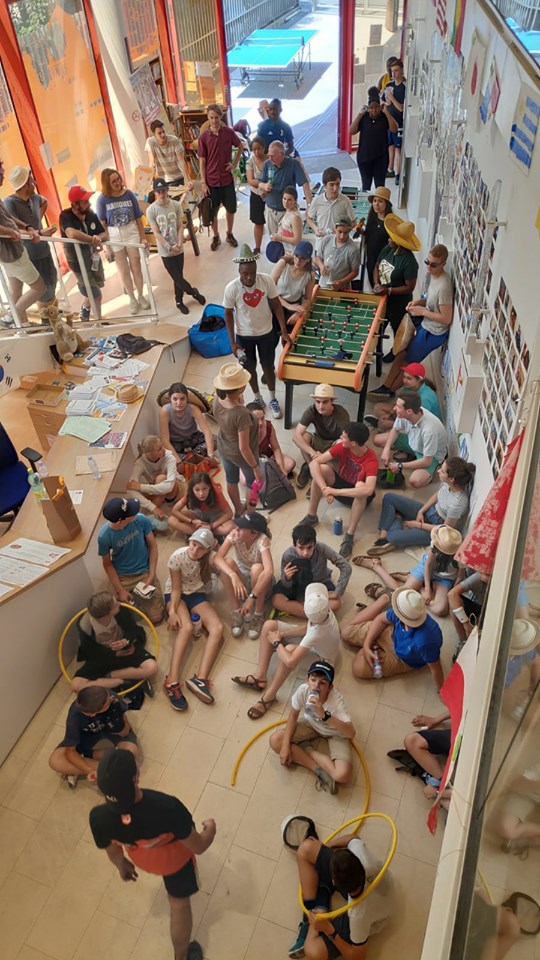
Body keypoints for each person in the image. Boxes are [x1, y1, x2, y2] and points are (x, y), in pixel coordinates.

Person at [89, 748, 215, 960]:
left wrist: (121, 865)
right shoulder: (167, 807)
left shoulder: (98, 818)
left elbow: (112, 848)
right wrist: (210, 829)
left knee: (177, 903)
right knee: (179, 904)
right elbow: (199, 846)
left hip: (141, 858)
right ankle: (181, 957)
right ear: (136, 778)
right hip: (175, 862)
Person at [233, 583, 341, 720]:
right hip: (316, 642)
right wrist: (282, 634)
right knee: (269, 625)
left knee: (288, 651)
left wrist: (276, 642)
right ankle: (259, 676)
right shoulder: (324, 611)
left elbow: (291, 661)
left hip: (323, 660)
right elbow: (307, 628)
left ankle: (270, 696)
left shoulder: (317, 633)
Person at [288, 829, 393, 959]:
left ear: (334, 882)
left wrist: (329, 930)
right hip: (372, 889)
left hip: (373, 911)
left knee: (313, 951)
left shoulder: (357, 916)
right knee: (305, 849)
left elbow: (358, 956)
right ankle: (315, 907)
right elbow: (352, 838)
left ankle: (316, 912)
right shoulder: (362, 859)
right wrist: (325, 846)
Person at [164, 527, 240, 707]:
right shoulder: (177, 556)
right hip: (176, 595)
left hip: (197, 595)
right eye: (193, 544)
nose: (195, 550)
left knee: (218, 628)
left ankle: (200, 679)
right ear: (189, 541)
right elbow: (176, 589)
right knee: (187, 628)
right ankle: (171, 681)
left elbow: (225, 564)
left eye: (200, 548)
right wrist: (172, 612)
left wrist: (232, 574)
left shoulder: (211, 558)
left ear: (209, 548)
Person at [223, 244, 290, 417]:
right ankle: (257, 398)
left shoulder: (266, 281)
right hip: (244, 336)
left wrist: (283, 331)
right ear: (239, 272)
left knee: (268, 366)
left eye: (252, 272)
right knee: (249, 369)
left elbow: (277, 306)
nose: (250, 277)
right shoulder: (232, 288)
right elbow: (228, 314)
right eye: (245, 273)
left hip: (266, 333)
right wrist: (232, 343)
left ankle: (273, 398)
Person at [270, 660, 355, 794]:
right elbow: (293, 715)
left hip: (335, 732)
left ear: (330, 687)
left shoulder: (336, 701)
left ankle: (308, 750)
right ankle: (317, 769)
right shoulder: (303, 690)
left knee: (342, 775)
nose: (316, 686)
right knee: (276, 741)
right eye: (313, 680)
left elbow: (351, 733)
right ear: (307, 680)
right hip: (311, 724)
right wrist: (285, 746)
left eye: (323, 683)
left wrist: (325, 716)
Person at [367, 457, 475, 555]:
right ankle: (384, 533)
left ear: (451, 479)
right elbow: (437, 495)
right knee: (389, 497)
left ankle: (395, 523)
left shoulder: (458, 502)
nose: (438, 471)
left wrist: (418, 525)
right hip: (431, 511)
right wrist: (421, 511)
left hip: (435, 529)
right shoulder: (448, 484)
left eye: (442, 471)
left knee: (392, 536)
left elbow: (444, 529)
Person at [302, 421, 379, 559]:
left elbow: (368, 490)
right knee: (322, 470)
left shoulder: (371, 460)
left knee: (361, 487)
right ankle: (311, 516)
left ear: (353, 443)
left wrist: (335, 492)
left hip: (358, 495)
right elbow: (314, 463)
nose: (340, 438)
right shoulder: (342, 447)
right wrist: (324, 488)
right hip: (342, 483)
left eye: (344, 437)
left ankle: (349, 536)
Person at [343, 587, 444, 689]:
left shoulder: (426, 641)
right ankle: (385, 598)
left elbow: (436, 667)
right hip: (391, 632)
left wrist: (441, 688)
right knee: (346, 633)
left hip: (402, 659)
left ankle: (373, 643)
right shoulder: (404, 611)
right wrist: (366, 644)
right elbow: (380, 620)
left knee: (358, 668)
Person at [353, 524, 463, 617]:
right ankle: (376, 566)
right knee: (401, 595)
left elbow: (459, 577)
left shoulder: (461, 555)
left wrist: (450, 592)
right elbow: (428, 565)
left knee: (440, 610)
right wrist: (428, 589)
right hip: (427, 568)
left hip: (444, 579)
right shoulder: (438, 540)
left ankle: (417, 585)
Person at [49, 686, 138, 788]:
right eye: (107, 703)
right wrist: (89, 770)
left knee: (131, 752)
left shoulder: (111, 698)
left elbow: (125, 730)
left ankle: (90, 762)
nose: (110, 699)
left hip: (112, 731)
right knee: (55, 761)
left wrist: (117, 722)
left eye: (108, 696)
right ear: (92, 714)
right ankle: (107, 769)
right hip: (87, 737)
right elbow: (70, 751)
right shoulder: (75, 716)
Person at [70, 591, 158, 693]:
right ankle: (123, 681)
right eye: (115, 605)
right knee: (75, 685)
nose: (119, 604)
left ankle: (110, 676)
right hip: (102, 656)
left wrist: (125, 641)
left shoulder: (121, 610)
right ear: (106, 615)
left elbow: (133, 629)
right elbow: (90, 650)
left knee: (152, 667)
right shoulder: (85, 625)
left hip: (125, 649)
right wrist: (114, 654)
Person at [98, 497, 166, 624]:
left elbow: (153, 546)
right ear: (120, 521)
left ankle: (140, 598)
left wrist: (151, 574)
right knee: (125, 617)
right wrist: (120, 589)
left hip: (144, 571)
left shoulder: (141, 519)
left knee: (156, 618)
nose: (136, 512)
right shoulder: (104, 536)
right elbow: (107, 564)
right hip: (123, 576)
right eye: (130, 513)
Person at [146, 178, 205, 315]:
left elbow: (180, 226)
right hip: (165, 250)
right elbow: (156, 233)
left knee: (179, 276)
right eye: (158, 191)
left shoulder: (176, 205)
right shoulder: (151, 210)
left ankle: (179, 301)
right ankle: (193, 292)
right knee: (176, 277)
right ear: (155, 193)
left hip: (178, 247)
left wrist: (179, 242)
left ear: (167, 190)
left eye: (163, 190)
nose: (161, 194)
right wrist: (168, 247)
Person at [96, 168, 150, 315]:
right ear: (107, 184)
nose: (117, 183)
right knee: (123, 269)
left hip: (131, 232)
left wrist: (143, 237)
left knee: (136, 266)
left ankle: (141, 295)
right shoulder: (102, 199)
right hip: (114, 235)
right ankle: (132, 299)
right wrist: (107, 246)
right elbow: (102, 224)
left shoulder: (129, 194)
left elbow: (138, 218)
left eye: (118, 179)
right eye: (113, 181)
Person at [4, 165, 57, 315]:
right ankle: (36, 320)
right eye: (32, 180)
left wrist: (37, 221)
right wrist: (38, 231)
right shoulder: (9, 203)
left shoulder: (34, 198)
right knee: (40, 289)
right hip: (26, 254)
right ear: (26, 184)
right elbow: (12, 228)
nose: (35, 182)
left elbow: (44, 202)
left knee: (51, 283)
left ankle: (28, 321)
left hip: (43, 249)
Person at [212, 362, 262, 517]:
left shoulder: (217, 399)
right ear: (241, 388)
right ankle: (250, 516)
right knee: (253, 484)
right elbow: (244, 448)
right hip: (241, 455)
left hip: (224, 446)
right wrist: (255, 468)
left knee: (231, 480)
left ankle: (238, 510)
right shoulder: (241, 414)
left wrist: (237, 401)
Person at [0, 157, 46, 325]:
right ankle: (10, 317)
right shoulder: (11, 201)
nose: (3, 173)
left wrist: (27, 227)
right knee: (39, 287)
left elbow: (8, 217)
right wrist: (9, 231)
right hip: (11, 253)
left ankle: (21, 327)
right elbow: (7, 223)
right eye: (1, 170)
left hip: (12, 251)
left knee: (16, 292)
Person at [273, 522, 352, 618]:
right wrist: (287, 578)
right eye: (301, 548)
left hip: (319, 583)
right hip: (297, 585)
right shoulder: (288, 555)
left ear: (315, 544)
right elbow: (285, 584)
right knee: (276, 600)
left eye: (309, 547)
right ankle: (314, 614)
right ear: (294, 545)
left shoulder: (321, 548)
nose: (305, 553)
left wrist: (338, 592)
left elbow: (346, 566)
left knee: (336, 603)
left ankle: (303, 611)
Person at [217, 511, 274, 639]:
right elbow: (218, 558)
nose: (236, 529)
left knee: (257, 568)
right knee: (227, 563)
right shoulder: (234, 534)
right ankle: (236, 611)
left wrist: (251, 598)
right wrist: (233, 575)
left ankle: (259, 613)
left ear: (253, 534)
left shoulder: (262, 540)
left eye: (241, 528)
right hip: (244, 577)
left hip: (261, 584)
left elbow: (269, 571)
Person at [378, 390, 448, 488]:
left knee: (415, 481)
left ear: (409, 411)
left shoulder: (429, 430)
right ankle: (412, 455)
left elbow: (426, 461)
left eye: (398, 406)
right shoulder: (405, 413)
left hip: (430, 455)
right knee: (378, 440)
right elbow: (395, 429)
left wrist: (400, 465)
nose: (394, 408)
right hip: (414, 442)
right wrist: (387, 449)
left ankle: (430, 473)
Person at [59, 184, 108, 322]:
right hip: (77, 261)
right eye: (85, 202)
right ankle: (98, 321)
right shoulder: (65, 215)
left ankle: (85, 308)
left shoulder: (90, 214)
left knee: (95, 286)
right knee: (95, 293)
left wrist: (98, 238)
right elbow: (71, 233)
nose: (89, 203)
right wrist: (92, 240)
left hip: (92, 258)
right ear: (75, 204)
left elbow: (104, 234)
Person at [197, 103, 242, 250]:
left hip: (227, 179)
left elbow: (240, 146)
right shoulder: (203, 137)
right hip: (212, 181)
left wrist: (234, 164)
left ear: (221, 117)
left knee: (231, 209)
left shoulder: (228, 132)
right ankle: (216, 236)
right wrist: (203, 182)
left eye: (216, 117)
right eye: (211, 117)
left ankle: (229, 233)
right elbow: (202, 160)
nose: (214, 121)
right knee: (213, 211)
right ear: (208, 118)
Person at [372, 214, 420, 346]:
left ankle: (396, 353)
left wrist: (388, 290)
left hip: (398, 304)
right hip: (382, 298)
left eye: (391, 238)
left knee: (398, 331)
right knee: (377, 328)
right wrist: (376, 284)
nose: (388, 239)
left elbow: (409, 287)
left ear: (399, 243)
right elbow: (377, 266)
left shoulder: (409, 262)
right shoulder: (388, 249)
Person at [293, 383, 351, 490]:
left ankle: (318, 475)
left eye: (325, 402)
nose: (320, 406)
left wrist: (323, 456)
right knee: (304, 437)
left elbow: (347, 440)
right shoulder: (311, 410)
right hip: (318, 440)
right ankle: (311, 468)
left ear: (332, 401)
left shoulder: (341, 413)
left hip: (334, 444)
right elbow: (296, 436)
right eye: (318, 402)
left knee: (341, 443)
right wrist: (313, 453)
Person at [403, 244, 454, 362]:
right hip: (427, 324)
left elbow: (446, 318)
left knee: (408, 363)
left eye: (434, 265)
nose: (429, 267)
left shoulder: (444, 287)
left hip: (433, 333)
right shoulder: (434, 275)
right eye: (427, 262)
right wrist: (419, 302)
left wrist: (423, 312)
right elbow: (433, 301)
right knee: (403, 349)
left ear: (443, 264)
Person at [366, 360, 441, 429]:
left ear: (419, 380)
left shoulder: (425, 398)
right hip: (407, 412)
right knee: (378, 408)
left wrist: (392, 423)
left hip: (421, 426)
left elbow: (417, 422)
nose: (405, 381)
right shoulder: (408, 388)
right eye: (404, 377)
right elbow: (398, 405)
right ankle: (383, 425)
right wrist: (390, 415)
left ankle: (384, 426)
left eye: (409, 378)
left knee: (382, 433)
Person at [259, 141, 312, 236]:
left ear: (282, 154)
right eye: (269, 155)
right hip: (271, 210)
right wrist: (264, 186)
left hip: (287, 211)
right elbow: (259, 183)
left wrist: (309, 204)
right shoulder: (267, 164)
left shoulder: (293, 164)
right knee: (274, 238)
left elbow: (304, 184)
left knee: (287, 239)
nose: (270, 158)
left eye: (273, 156)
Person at [127, 434, 180, 530]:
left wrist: (141, 487)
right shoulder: (140, 463)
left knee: (160, 479)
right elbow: (130, 489)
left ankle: (147, 522)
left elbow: (169, 487)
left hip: (175, 491)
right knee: (136, 501)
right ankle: (144, 521)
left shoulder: (169, 457)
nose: (164, 450)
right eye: (159, 449)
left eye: (162, 446)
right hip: (157, 489)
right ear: (149, 453)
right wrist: (152, 507)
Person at [350, 92, 398, 191]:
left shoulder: (384, 117)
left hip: (381, 158)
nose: (374, 110)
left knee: (380, 186)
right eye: (371, 108)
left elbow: (394, 129)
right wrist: (360, 114)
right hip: (364, 158)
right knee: (366, 185)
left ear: (380, 107)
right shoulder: (364, 118)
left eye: (376, 107)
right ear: (368, 108)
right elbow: (352, 131)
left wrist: (387, 112)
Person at [169, 470, 234, 540]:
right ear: (192, 489)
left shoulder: (217, 492)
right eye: (197, 490)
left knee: (229, 527)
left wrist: (212, 526)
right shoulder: (190, 494)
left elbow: (229, 513)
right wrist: (191, 521)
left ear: (209, 487)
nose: (201, 494)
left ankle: (200, 534)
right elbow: (175, 510)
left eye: (204, 489)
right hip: (198, 515)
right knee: (172, 520)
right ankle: (206, 534)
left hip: (216, 516)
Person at [159, 381, 215, 460]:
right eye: (175, 399)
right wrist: (178, 461)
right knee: (166, 454)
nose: (179, 403)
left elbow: (207, 431)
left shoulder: (193, 408)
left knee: (216, 440)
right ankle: (192, 457)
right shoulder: (164, 411)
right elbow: (165, 440)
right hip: (176, 442)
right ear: (170, 398)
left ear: (187, 398)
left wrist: (210, 455)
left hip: (192, 437)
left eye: (182, 399)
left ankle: (192, 457)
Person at [306, 167, 356, 253]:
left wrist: (342, 231)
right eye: (332, 185)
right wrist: (316, 229)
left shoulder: (345, 201)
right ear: (325, 185)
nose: (335, 188)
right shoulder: (317, 200)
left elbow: (353, 222)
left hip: (338, 246)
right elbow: (309, 218)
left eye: (337, 184)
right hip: (321, 245)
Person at [246, 401, 296, 476]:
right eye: (256, 420)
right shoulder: (243, 433)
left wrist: (281, 468)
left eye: (262, 418)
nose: (260, 423)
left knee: (290, 463)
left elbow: (276, 448)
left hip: (267, 456)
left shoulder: (268, 426)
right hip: (251, 462)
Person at [271, 240, 315, 325]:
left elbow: (307, 298)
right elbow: (270, 289)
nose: (298, 261)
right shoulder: (283, 263)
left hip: (294, 305)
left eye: (302, 258)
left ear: (308, 259)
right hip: (276, 300)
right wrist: (288, 306)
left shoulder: (310, 275)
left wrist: (298, 313)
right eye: (296, 256)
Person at [145, 119, 193, 188]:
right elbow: (152, 163)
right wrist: (150, 182)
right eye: (159, 133)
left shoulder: (174, 140)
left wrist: (188, 180)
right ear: (154, 134)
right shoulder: (150, 142)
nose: (163, 135)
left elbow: (182, 161)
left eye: (164, 131)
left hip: (177, 178)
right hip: (161, 180)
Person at [316, 217, 361, 292]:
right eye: (340, 232)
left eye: (345, 233)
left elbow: (355, 272)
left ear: (349, 231)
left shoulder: (353, 249)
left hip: (342, 289)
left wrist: (341, 282)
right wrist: (321, 266)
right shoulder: (326, 240)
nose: (342, 236)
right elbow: (318, 257)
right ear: (335, 229)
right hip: (323, 285)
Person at [361, 185, 393, 290]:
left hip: (384, 260)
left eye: (380, 201)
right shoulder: (371, 218)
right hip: (371, 258)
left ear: (386, 204)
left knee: (383, 286)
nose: (376, 204)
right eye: (374, 201)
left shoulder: (391, 222)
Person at [383, 59, 406, 185]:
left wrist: (392, 98)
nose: (394, 74)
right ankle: (390, 169)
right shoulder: (389, 85)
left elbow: (401, 108)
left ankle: (398, 173)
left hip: (399, 123)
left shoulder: (404, 87)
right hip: (388, 121)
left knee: (398, 148)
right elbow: (383, 100)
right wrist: (386, 102)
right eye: (392, 71)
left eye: (396, 71)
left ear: (402, 71)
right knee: (390, 146)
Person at [245, 136, 268, 254]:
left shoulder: (270, 160)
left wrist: (267, 188)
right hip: (256, 195)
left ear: (264, 148)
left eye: (259, 148)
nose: (257, 152)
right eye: (254, 149)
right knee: (258, 222)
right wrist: (263, 185)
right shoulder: (250, 162)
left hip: (271, 194)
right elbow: (250, 180)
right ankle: (257, 247)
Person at [269, 185, 303, 255]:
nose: (286, 202)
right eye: (284, 199)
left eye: (289, 200)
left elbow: (297, 239)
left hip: (292, 253)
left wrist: (280, 238)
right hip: (286, 250)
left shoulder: (295, 217)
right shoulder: (288, 211)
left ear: (295, 200)